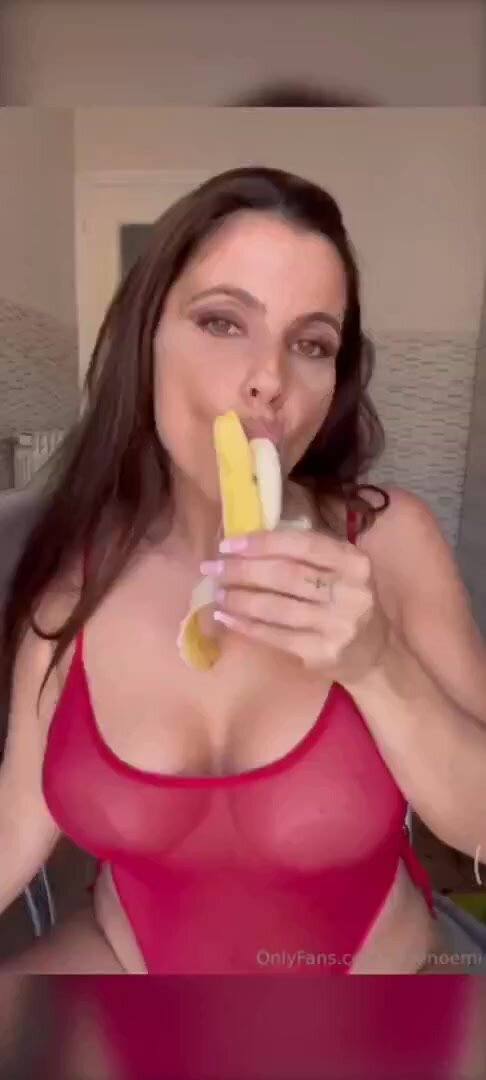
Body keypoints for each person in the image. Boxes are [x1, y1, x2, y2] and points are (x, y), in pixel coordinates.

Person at [1, 165, 486, 983]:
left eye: (311, 343)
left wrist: (377, 664)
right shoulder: (73, 582)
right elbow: (17, 819)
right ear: (146, 340)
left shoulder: (387, 541)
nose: (270, 379)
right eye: (223, 322)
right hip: (129, 976)